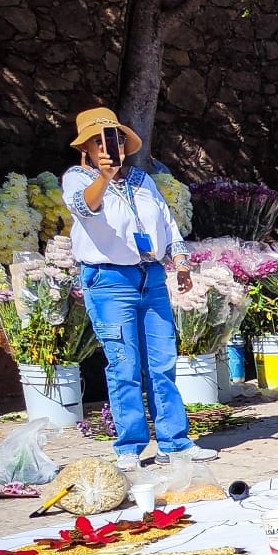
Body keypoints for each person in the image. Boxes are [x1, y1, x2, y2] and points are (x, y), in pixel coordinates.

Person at [59, 106, 212, 473]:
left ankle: (175, 442)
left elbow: (166, 222)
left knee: (162, 363)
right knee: (124, 364)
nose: (109, 147)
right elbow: (84, 208)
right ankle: (129, 446)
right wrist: (104, 177)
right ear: (87, 148)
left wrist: (180, 260)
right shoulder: (77, 178)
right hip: (109, 280)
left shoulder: (142, 179)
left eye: (114, 139)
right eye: (99, 140)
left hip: (151, 276)